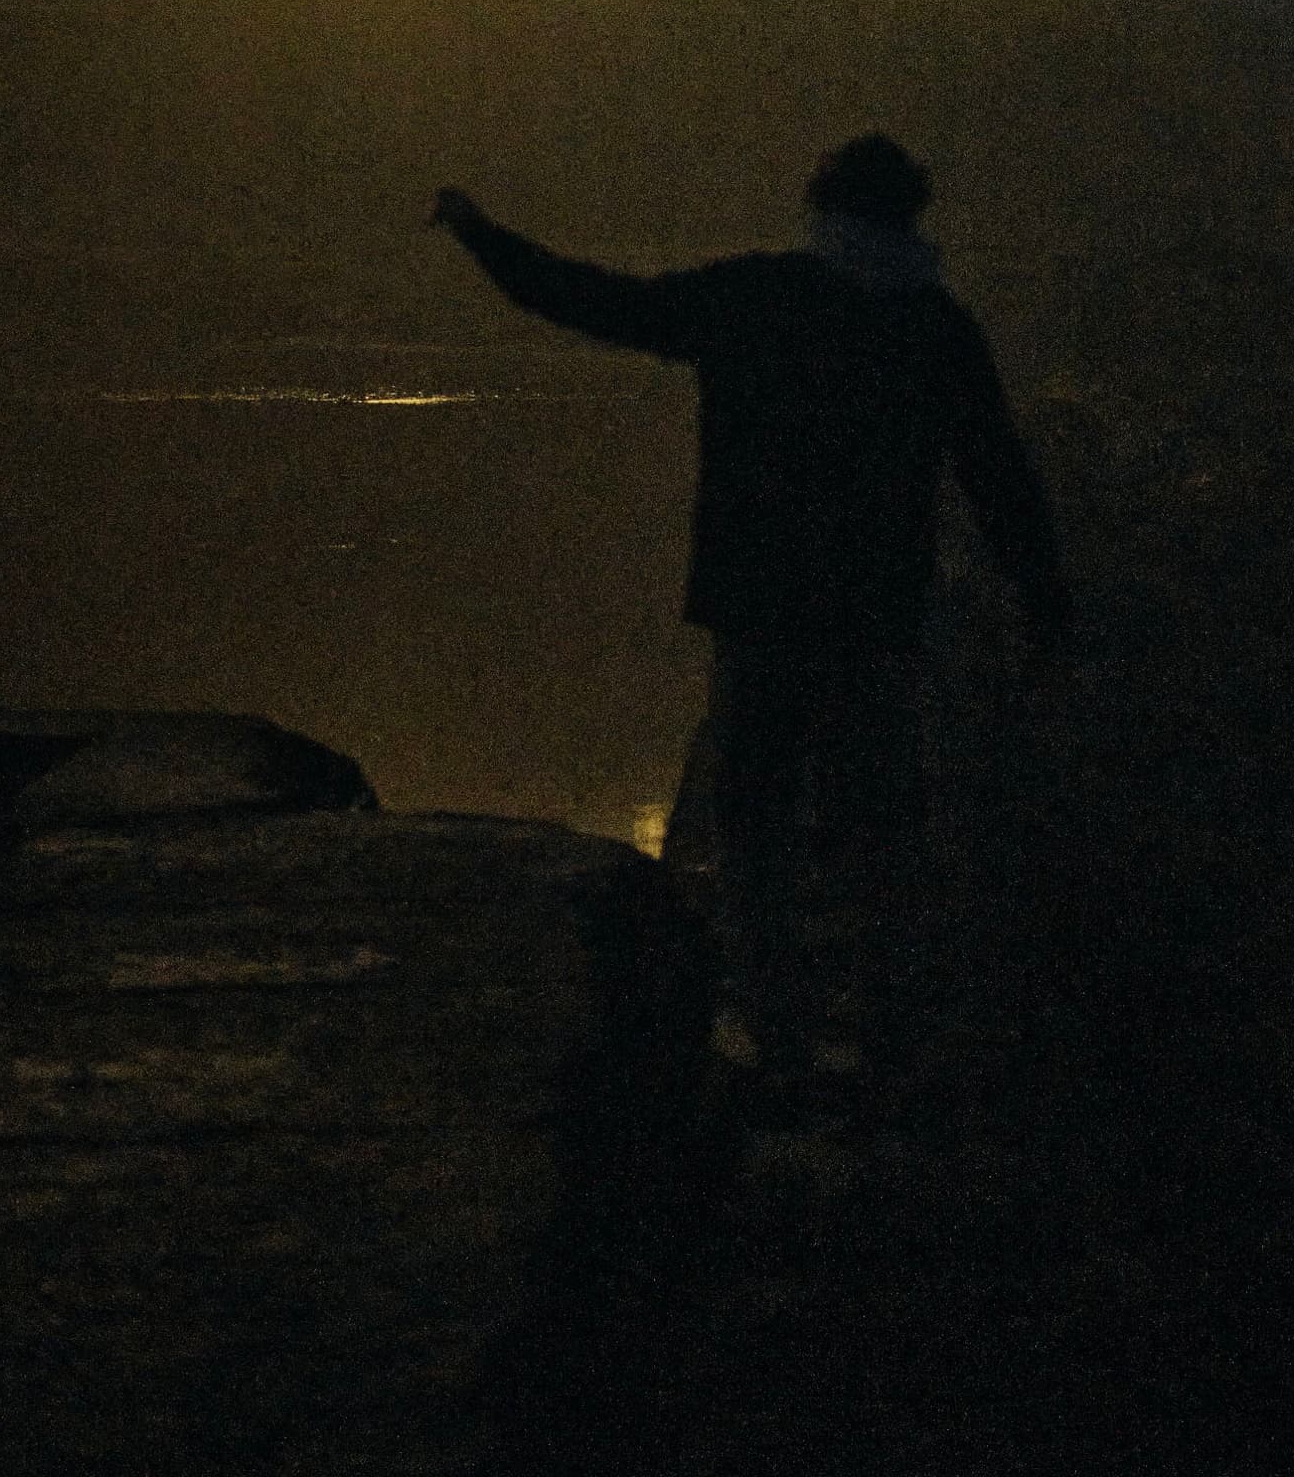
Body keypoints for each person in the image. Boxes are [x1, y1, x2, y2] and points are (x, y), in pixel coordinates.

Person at [431, 135, 1068, 1074]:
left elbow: (598, 301)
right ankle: (890, 1033)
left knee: (755, 820)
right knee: (881, 823)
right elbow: (998, 477)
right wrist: (1045, 597)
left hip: (761, 610)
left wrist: (485, 239)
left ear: (819, 207)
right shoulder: (936, 327)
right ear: (913, 216)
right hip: (875, 617)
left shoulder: (760, 296)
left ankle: (779, 1033)